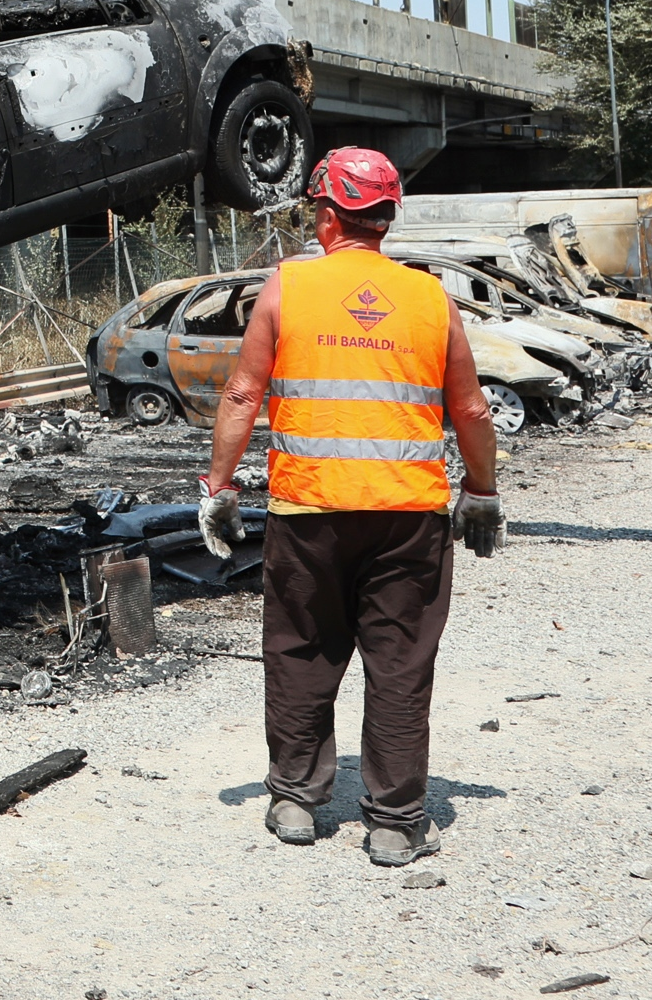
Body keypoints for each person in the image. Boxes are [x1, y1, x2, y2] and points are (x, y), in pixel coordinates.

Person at [197, 146, 505, 866]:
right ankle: (396, 822)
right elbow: (470, 408)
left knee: (302, 649)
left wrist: (217, 487)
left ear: (329, 215)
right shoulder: (432, 299)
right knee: (399, 663)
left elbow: (243, 394)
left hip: (309, 512)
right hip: (409, 518)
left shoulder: (286, 288)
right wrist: (483, 491)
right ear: (386, 219)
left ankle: (296, 800)